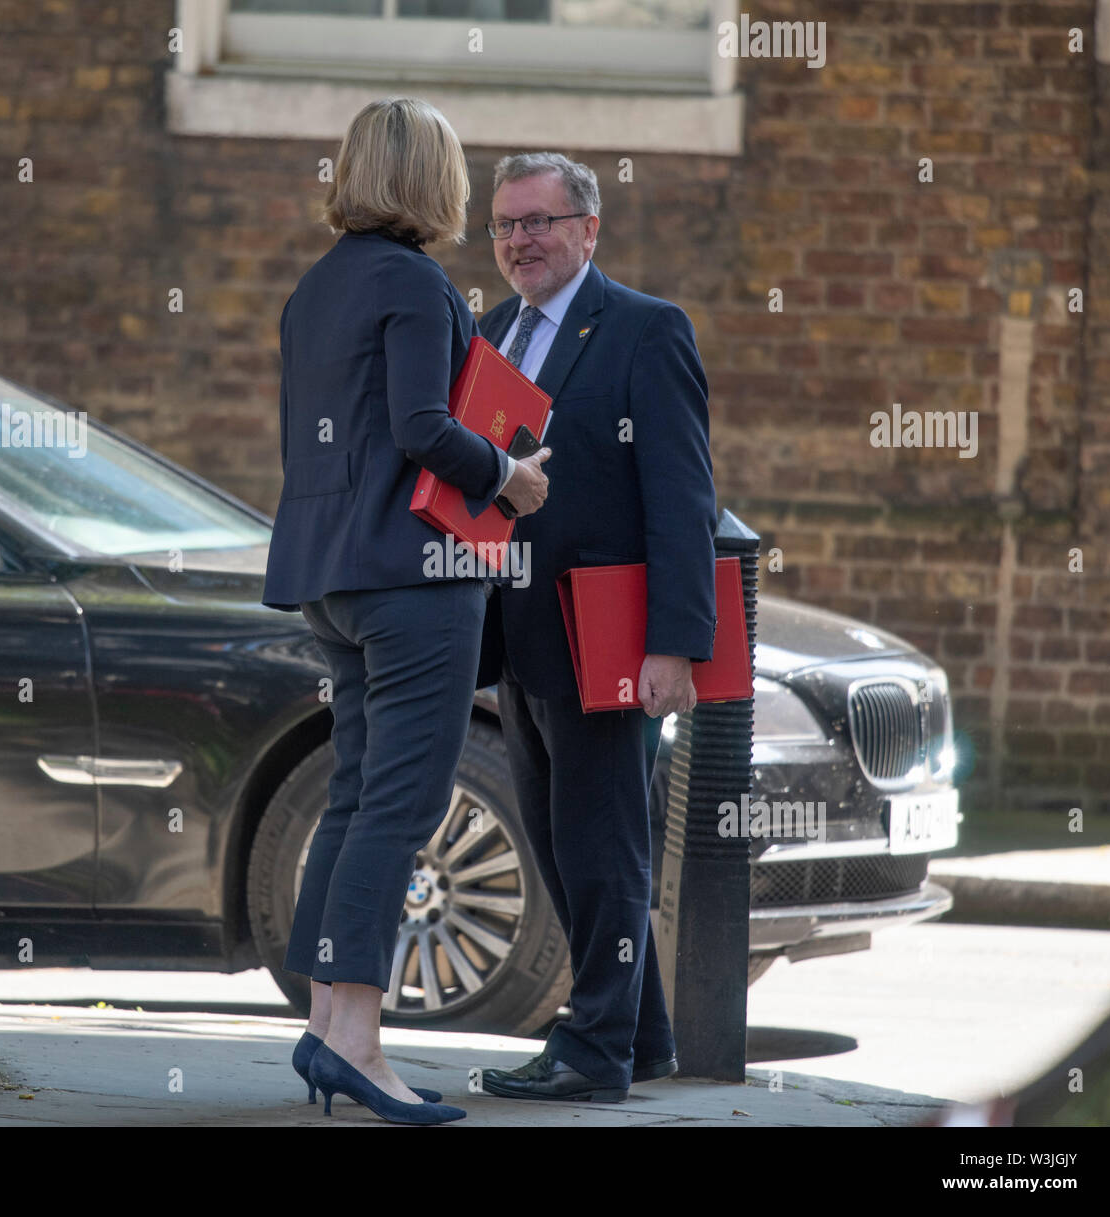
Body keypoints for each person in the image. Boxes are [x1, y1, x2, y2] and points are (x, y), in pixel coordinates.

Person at [260, 98, 550, 1125]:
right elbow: (427, 425)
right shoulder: (420, 285)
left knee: (354, 796)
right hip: (416, 577)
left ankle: (328, 1022)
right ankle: (357, 1042)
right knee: (401, 802)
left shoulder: (316, 287)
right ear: (432, 180)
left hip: (331, 580)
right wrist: (510, 476)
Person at [475, 152, 717, 1103]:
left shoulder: (646, 330)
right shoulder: (491, 331)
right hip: (519, 637)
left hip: (608, 640)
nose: (519, 240)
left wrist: (674, 643)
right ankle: (642, 1033)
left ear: (587, 230)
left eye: (538, 221)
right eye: (502, 225)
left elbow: (682, 494)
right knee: (554, 837)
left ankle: (591, 1050)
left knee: (602, 845)